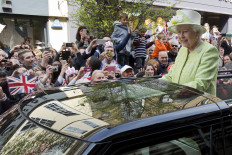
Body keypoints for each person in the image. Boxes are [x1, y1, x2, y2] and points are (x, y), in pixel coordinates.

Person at [163, 9, 219, 95]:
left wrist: (174, 92)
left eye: (185, 31)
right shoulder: (182, 49)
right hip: (179, 103)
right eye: (179, 32)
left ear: (197, 32)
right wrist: (154, 84)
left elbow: (201, 83)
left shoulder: (209, 51)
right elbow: (171, 76)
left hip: (200, 105)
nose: (181, 36)